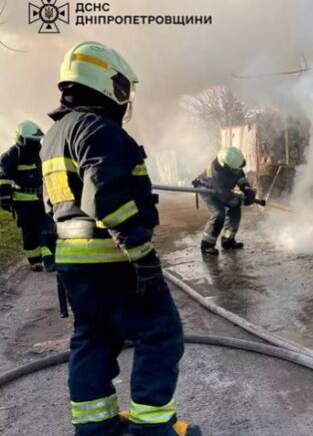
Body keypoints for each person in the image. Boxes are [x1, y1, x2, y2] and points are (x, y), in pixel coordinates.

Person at [40, 41, 200, 436]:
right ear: (110, 84)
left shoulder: (54, 135)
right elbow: (107, 198)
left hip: (74, 262)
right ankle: (153, 427)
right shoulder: (100, 130)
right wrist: (142, 255)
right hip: (114, 258)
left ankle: (96, 427)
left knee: (93, 336)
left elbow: (55, 204)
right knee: (160, 331)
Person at [0, 120, 55, 271]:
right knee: (29, 233)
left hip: (41, 201)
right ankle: (35, 261)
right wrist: (4, 198)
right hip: (23, 204)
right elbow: (4, 178)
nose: (36, 144)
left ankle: (50, 259)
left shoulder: (41, 153)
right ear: (21, 139)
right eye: (32, 141)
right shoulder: (11, 156)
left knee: (47, 228)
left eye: (37, 140)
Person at [193, 146, 265, 256]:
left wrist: (247, 189)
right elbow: (226, 197)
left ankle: (228, 240)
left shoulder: (232, 164)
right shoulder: (216, 173)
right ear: (226, 167)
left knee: (235, 209)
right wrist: (243, 201)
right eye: (235, 169)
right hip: (207, 189)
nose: (238, 171)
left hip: (222, 190)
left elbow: (240, 177)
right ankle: (207, 245)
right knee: (219, 213)